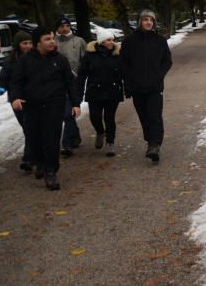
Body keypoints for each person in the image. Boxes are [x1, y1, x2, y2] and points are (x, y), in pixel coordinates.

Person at [9, 27, 81, 190]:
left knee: (51, 139)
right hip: (31, 106)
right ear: (38, 43)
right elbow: (16, 82)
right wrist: (15, 98)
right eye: (47, 39)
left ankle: (50, 171)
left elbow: (70, 83)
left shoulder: (60, 59)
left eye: (52, 38)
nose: (52, 42)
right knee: (33, 139)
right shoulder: (25, 61)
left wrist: (76, 103)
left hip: (54, 104)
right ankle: (40, 163)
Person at [121, 9, 172, 162]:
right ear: (140, 22)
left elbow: (167, 61)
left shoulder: (160, 40)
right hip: (137, 87)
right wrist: (129, 81)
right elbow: (123, 63)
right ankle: (150, 140)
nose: (148, 22)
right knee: (144, 117)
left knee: (154, 116)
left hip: (155, 87)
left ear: (154, 22)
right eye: (145, 19)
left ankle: (155, 145)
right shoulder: (129, 41)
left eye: (151, 20)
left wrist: (159, 74)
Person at [76, 28, 124, 156]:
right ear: (101, 41)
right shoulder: (90, 55)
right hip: (94, 91)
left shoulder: (118, 54)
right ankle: (100, 131)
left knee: (109, 118)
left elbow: (125, 73)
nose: (112, 42)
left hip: (113, 91)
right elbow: (82, 75)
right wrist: (78, 93)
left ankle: (110, 142)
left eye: (113, 40)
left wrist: (129, 87)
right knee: (95, 117)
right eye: (108, 40)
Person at [0, 30, 35, 171]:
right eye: (25, 43)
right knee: (27, 128)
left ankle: (29, 159)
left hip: (35, 98)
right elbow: (4, 77)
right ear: (18, 45)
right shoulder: (10, 61)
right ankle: (34, 154)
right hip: (17, 99)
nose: (28, 46)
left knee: (31, 128)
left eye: (30, 43)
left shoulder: (37, 57)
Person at [55, 17, 86, 156]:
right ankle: (74, 137)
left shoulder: (78, 41)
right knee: (67, 114)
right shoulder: (52, 41)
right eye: (62, 26)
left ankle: (67, 143)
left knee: (69, 112)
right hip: (56, 83)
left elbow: (85, 61)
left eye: (67, 25)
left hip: (74, 82)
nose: (65, 28)